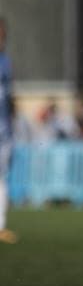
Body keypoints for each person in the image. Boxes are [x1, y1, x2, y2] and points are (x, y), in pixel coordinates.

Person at [0, 19, 17, 244]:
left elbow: (9, 96)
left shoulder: (5, 62)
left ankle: (0, 226)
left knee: (1, 176)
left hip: (3, 130)